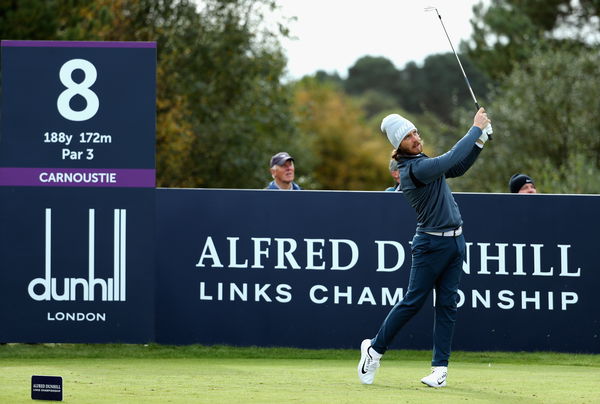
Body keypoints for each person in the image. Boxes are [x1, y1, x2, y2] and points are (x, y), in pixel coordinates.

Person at [357, 108, 491, 388]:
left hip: (456, 241)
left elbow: (456, 168)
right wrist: (475, 129)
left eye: (415, 131)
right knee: (413, 301)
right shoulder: (412, 169)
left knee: (447, 305)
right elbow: (451, 158)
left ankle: (439, 369)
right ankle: (374, 349)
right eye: (408, 136)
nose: (416, 138)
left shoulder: (422, 161)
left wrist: (479, 143)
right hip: (430, 244)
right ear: (398, 144)